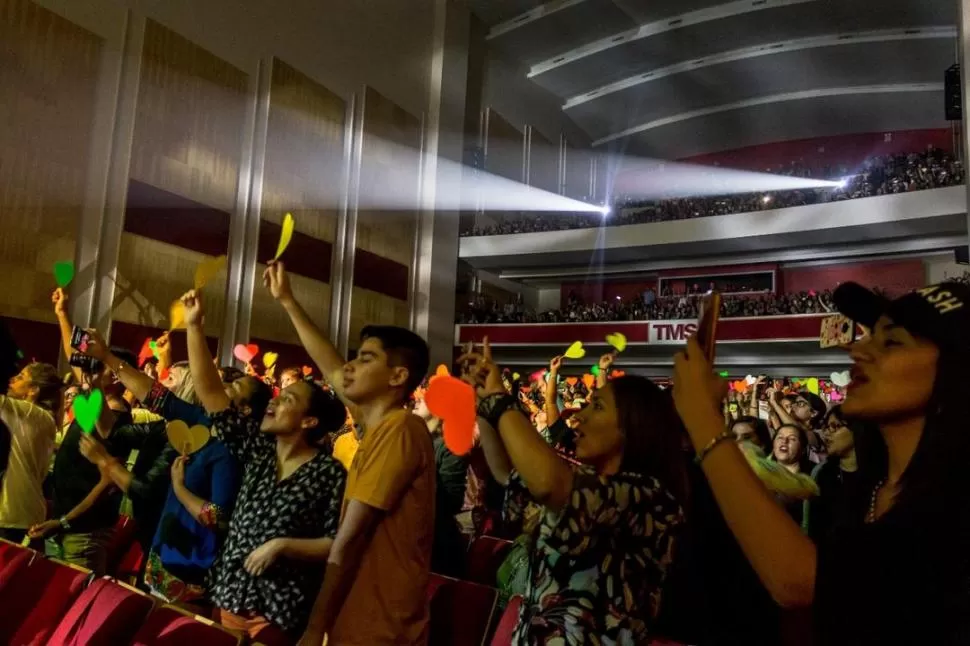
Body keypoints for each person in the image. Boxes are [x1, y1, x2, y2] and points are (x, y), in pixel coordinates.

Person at [672, 281, 970, 644]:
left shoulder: (956, 502)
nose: (856, 348)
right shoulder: (867, 488)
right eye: (868, 335)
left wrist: (703, 418)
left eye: (891, 341)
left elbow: (799, 582)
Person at [460, 339, 685, 645]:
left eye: (598, 406)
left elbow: (549, 484)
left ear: (632, 426)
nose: (580, 415)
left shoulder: (650, 497)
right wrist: (484, 404)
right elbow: (505, 473)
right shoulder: (580, 478)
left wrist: (500, 400)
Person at [261, 261, 434, 646]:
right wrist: (287, 301)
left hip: (380, 625)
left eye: (366, 358)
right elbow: (331, 366)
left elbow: (350, 539)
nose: (350, 365)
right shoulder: (374, 426)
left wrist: (313, 625)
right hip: (358, 616)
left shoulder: (401, 429)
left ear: (398, 377)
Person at [180, 289, 347, 644]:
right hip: (228, 597)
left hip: (277, 612)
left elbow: (335, 544)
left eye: (287, 400)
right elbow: (212, 395)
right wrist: (194, 327)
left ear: (309, 421)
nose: (273, 404)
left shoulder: (328, 473)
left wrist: (281, 545)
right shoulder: (258, 452)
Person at [78, 329, 269, 604]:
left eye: (235, 386)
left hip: (190, 571)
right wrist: (106, 356)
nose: (222, 384)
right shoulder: (203, 423)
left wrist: (179, 488)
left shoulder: (230, 451)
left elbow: (221, 518)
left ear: (246, 409)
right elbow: (157, 397)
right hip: (162, 558)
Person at [0, 363, 60, 544]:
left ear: (33, 389)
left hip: (13, 515)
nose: (13, 379)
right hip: (21, 511)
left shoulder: (32, 413)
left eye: (21, 377)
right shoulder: (38, 417)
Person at [413, 392, 468, 578]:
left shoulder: (450, 446)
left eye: (426, 398)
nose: (418, 399)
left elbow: (452, 501)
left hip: (436, 539)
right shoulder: (412, 438)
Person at [802, 406, 865, 543]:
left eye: (835, 426)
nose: (827, 434)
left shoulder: (879, 475)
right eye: (826, 427)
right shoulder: (822, 473)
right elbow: (812, 525)